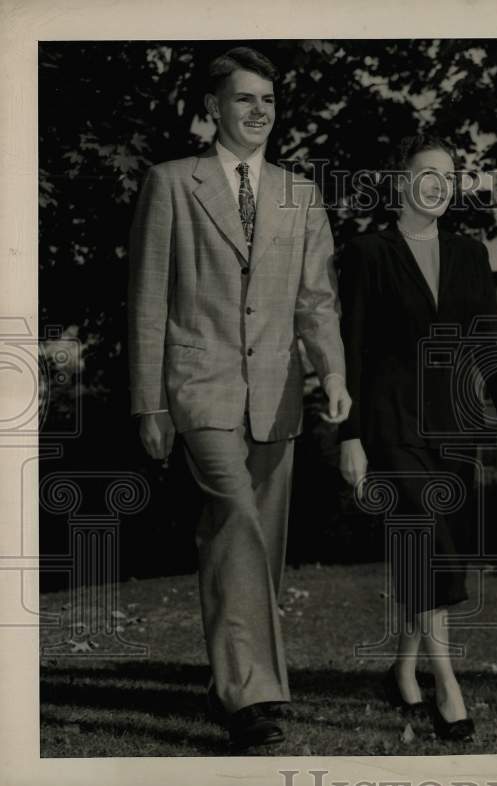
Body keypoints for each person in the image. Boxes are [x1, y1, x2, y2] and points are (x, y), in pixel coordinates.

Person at [128, 46, 351, 750]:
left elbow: (317, 302)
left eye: (269, 100)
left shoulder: (301, 194)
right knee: (234, 517)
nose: (260, 111)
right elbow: (147, 299)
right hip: (199, 387)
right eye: (245, 99)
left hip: (278, 394)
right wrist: (148, 402)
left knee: (257, 538)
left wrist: (335, 375)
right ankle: (250, 694)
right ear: (213, 108)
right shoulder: (171, 184)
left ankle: (235, 671)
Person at [337, 135, 497, 741]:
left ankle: (402, 668)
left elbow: (489, 341)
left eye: (449, 176)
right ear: (401, 181)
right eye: (428, 174)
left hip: (455, 426)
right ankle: (448, 682)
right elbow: (352, 348)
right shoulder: (368, 252)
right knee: (431, 540)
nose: (440, 185)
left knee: (430, 547)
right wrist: (351, 436)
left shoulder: (470, 254)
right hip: (391, 425)